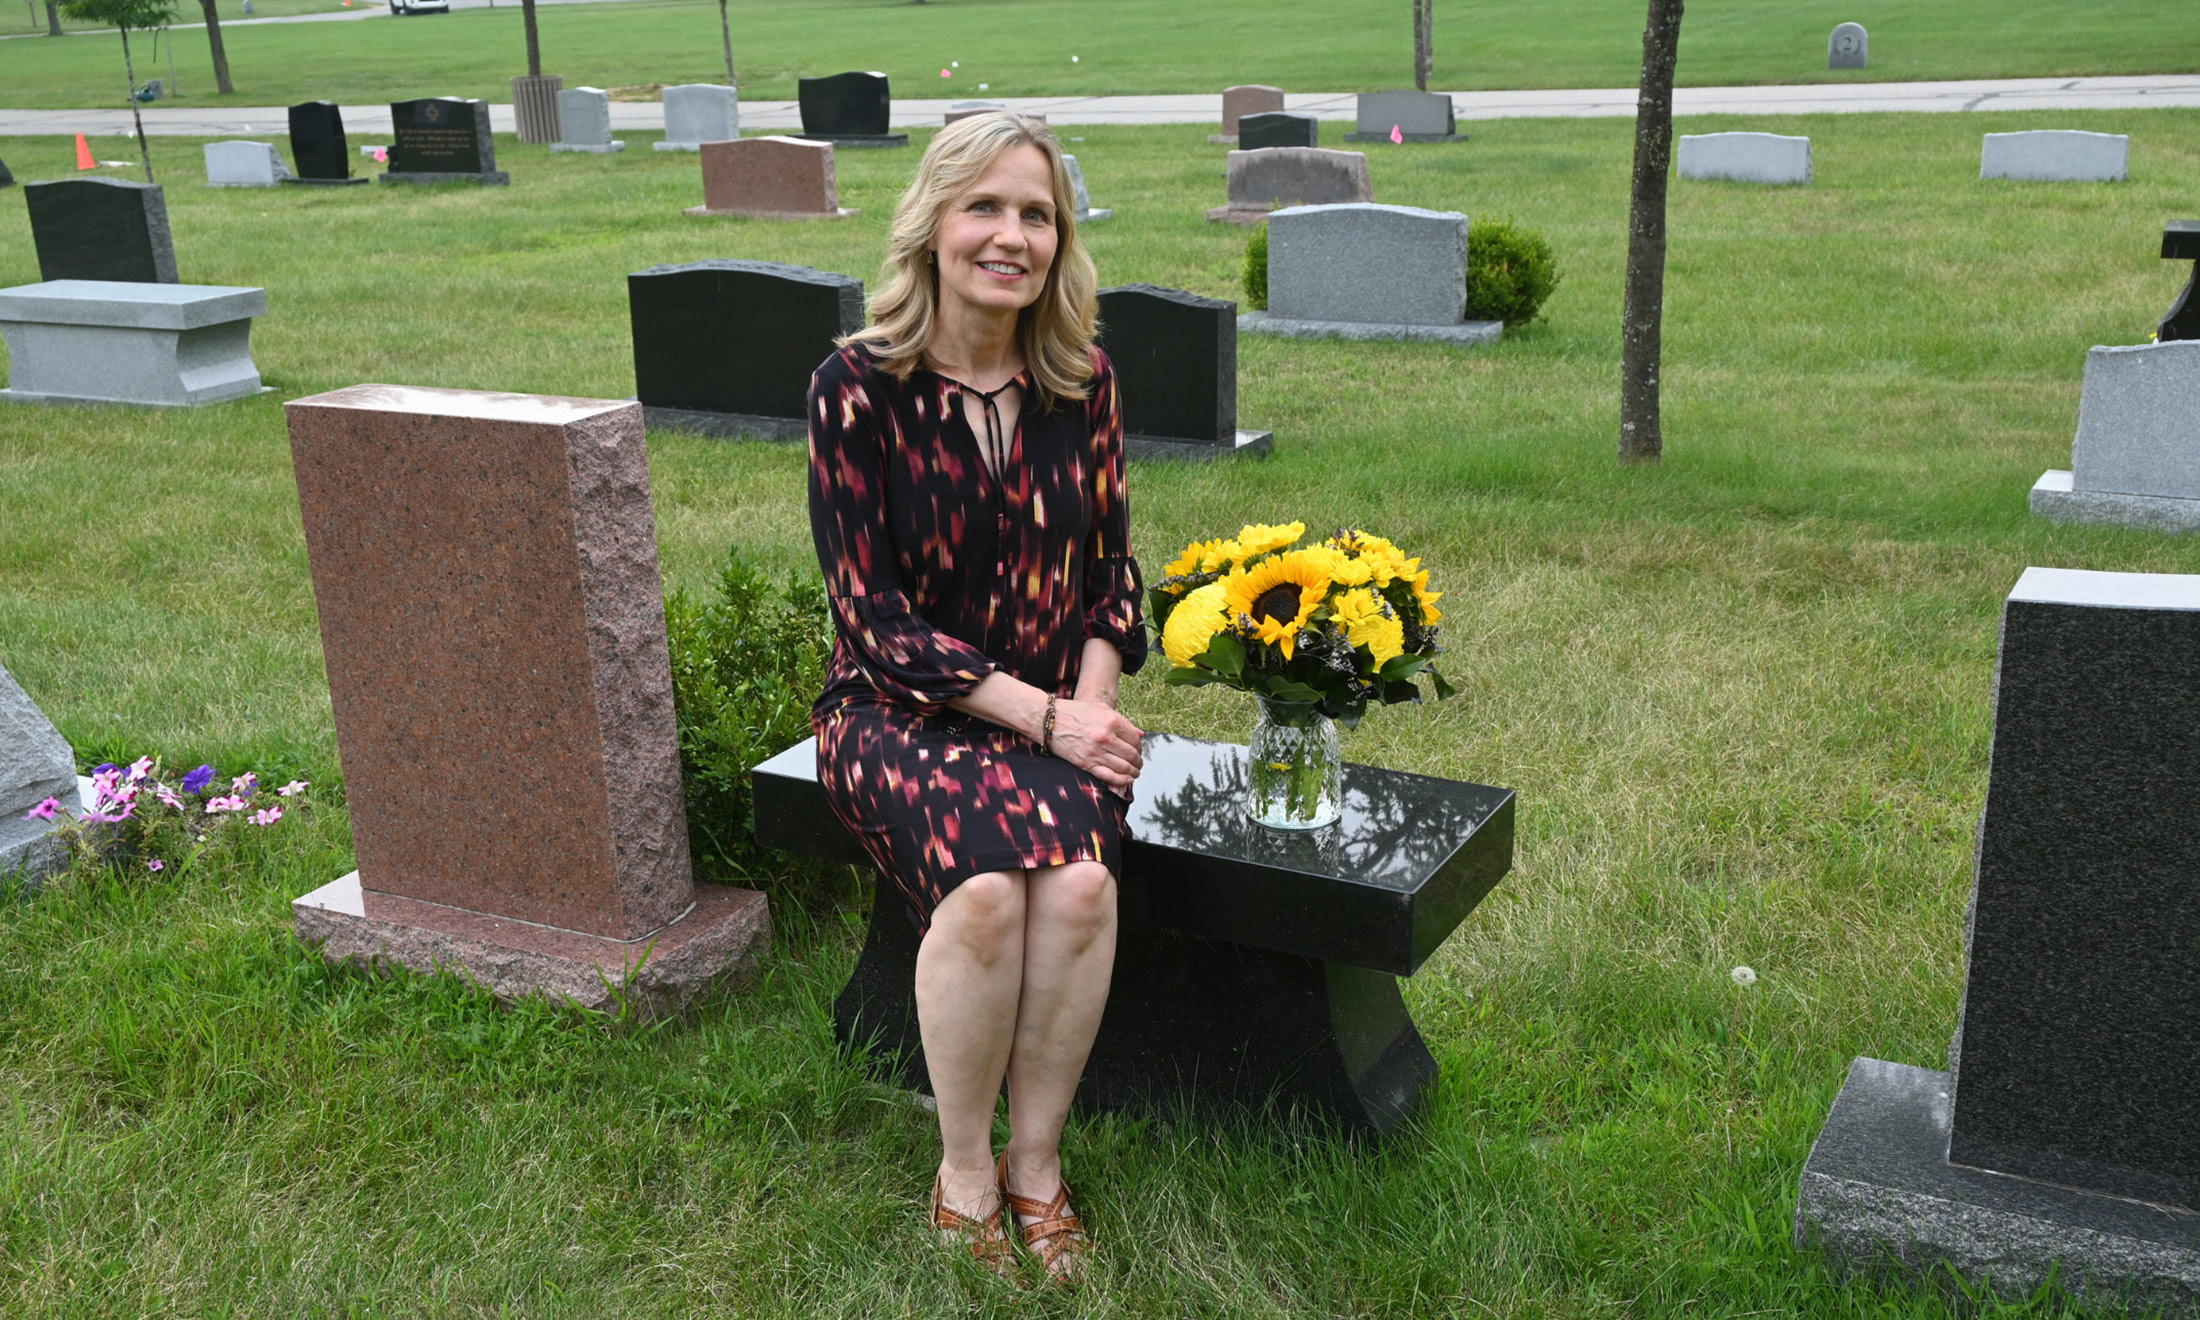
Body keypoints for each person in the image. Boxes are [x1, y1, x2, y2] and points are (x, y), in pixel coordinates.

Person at [804, 112, 1148, 1282]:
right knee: (993, 896)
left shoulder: (1081, 380)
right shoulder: (857, 387)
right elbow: (876, 621)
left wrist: (1091, 712)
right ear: (933, 225)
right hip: (894, 715)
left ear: (1061, 239)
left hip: (1055, 710)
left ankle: (1035, 1167)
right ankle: (962, 1170)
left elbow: (1112, 575)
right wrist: (1051, 721)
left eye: (1036, 214)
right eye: (984, 207)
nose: (1011, 235)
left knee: (1085, 888)